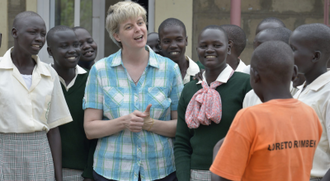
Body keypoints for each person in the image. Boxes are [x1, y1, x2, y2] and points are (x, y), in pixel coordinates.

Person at [83, 1, 183, 181]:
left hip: (160, 170)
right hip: (112, 170)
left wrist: (150, 124)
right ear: (117, 35)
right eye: (129, 26)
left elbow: (181, 126)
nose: (138, 29)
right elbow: (90, 128)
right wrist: (123, 122)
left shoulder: (170, 69)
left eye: (140, 23)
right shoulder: (100, 70)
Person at [210, 41, 322, 181]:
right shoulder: (310, 114)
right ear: (294, 72)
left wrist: (217, 149)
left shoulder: (249, 117)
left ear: (255, 75)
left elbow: (221, 178)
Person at [0, 11, 72, 180]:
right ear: (15, 33)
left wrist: (58, 177)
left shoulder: (49, 74)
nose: (39, 38)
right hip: (5, 152)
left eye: (43, 34)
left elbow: (54, 130)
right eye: (33, 32)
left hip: (40, 152)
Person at [174, 25, 251, 181]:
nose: (209, 50)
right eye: (203, 46)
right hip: (195, 175)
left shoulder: (245, 85)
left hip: (233, 174)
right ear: (197, 50)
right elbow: (182, 142)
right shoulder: (189, 90)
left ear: (228, 48)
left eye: (217, 45)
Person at [47, 25, 97, 181]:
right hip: (46, 168)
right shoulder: (42, 79)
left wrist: (89, 173)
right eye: (64, 46)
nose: (73, 50)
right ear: (50, 52)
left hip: (83, 171)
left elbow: (96, 132)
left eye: (76, 45)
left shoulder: (92, 80)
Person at [290, 23, 330, 181]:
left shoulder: (327, 93)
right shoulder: (301, 89)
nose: (288, 54)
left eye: (293, 49)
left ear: (315, 57)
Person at [243, 27, 294, 108]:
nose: (258, 55)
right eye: (255, 49)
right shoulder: (251, 96)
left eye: (267, 49)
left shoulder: (300, 94)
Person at [158, 18, 201, 84]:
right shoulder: (153, 75)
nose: (173, 46)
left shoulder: (201, 72)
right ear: (160, 44)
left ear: (186, 41)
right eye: (167, 41)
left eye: (179, 40)